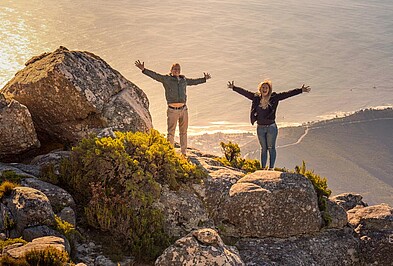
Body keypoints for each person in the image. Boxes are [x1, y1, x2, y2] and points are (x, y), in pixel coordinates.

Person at [228, 80, 311, 170]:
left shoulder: (274, 97)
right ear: (260, 89)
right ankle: (263, 168)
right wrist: (234, 88)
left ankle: (271, 168)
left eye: (266, 88)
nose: (264, 89)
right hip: (260, 128)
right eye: (263, 87)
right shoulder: (256, 97)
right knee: (263, 149)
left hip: (271, 128)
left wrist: (300, 90)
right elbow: (245, 93)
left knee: (271, 148)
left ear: (269, 89)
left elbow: (287, 94)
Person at [135, 60, 211, 155]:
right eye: (175, 69)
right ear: (171, 70)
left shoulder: (184, 80)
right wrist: (144, 70)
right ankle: (170, 152)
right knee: (171, 132)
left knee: (183, 132)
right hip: (172, 110)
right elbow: (155, 76)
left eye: (178, 69)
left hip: (183, 109)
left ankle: (183, 153)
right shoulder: (166, 79)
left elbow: (194, 82)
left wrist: (204, 79)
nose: (177, 71)